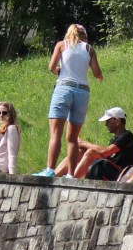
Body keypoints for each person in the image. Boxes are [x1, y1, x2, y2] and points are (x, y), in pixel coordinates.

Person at [37, 24, 103, 177]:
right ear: (84, 36)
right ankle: (71, 175)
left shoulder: (61, 45)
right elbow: (97, 73)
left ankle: (50, 170)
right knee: (72, 138)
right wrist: (100, 77)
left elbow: (51, 67)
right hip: (83, 91)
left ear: (69, 33)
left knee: (56, 133)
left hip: (65, 88)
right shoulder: (89, 49)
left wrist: (58, 71)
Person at [57, 107, 133, 181]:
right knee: (80, 152)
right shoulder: (115, 139)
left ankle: (72, 180)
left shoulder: (127, 135)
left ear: (117, 121)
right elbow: (107, 155)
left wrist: (83, 143)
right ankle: (55, 175)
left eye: (108, 121)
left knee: (91, 153)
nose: (106, 124)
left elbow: (106, 151)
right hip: (112, 169)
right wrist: (83, 146)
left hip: (122, 174)